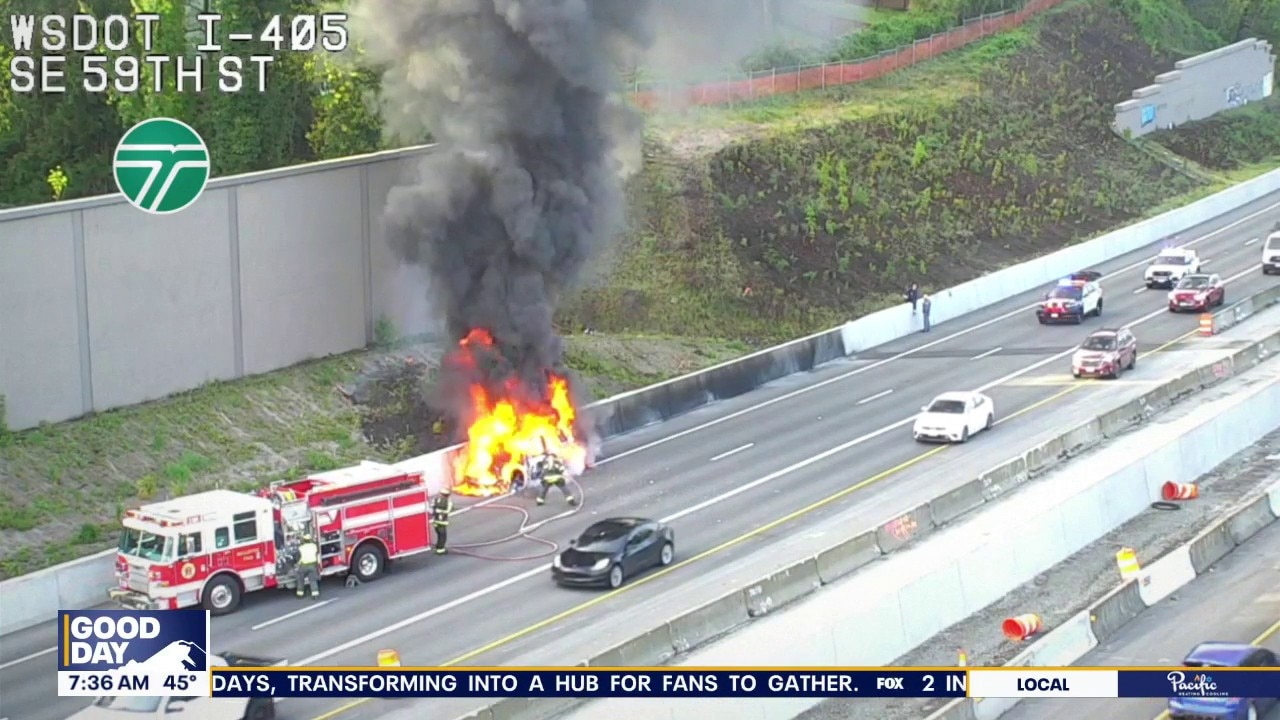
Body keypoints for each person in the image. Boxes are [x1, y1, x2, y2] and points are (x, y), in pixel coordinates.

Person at [431, 487, 454, 554]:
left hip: (435, 522)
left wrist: (437, 511)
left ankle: (438, 546)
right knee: (442, 536)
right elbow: (448, 511)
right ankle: (440, 550)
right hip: (442, 522)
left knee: (439, 535)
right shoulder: (448, 502)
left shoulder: (435, 500)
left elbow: (432, 508)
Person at [296, 534, 320, 599]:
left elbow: (298, 558)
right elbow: (317, 552)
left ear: (304, 540)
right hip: (312, 565)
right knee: (313, 580)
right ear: (310, 540)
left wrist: (297, 564)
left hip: (304, 566)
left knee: (300, 579)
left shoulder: (301, 548)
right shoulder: (314, 546)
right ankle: (315, 595)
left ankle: (300, 594)